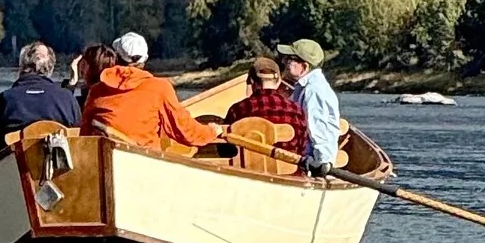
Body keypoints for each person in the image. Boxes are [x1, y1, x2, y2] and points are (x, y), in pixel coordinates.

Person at [80, 31, 221, 150]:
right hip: (146, 164)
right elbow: (184, 130)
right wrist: (211, 132)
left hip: (107, 160)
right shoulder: (160, 88)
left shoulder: (96, 90)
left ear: (116, 57)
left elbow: (85, 136)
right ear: (144, 61)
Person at [0, 41, 80, 156]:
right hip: (60, 170)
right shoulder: (67, 98)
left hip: (16, 170)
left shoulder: (6, 99)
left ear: (22, 66)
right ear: (50, 68)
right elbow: (80, 142)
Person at [276, 38, 339, 176]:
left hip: (315, 163)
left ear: (304, 66)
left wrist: (322, 165)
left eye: (290, 59)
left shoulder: (314, 90)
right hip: (306, 160)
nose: (285, 62)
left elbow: (317, 128)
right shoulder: (306, 86)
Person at [225, 55, 308, 157]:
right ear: (278, 82)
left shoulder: (238, 109)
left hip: (249, 170)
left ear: (251, 81)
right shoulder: (296, 110)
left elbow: (226, 150)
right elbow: (302, 147)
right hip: (289, 170)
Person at [67, 42, 118, 112]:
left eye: (84, 62)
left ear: (86, 66)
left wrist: (72, 83)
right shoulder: (118, 96)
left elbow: (62, 108)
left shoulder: (84, 103)